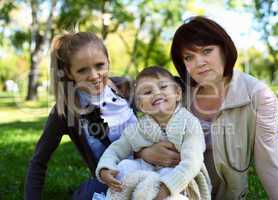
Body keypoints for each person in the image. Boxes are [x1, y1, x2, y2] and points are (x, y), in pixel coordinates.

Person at [168, 16, 278, 199]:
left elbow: (268, 162)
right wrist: (145, 151)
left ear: (224, 50)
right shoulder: (176, 93)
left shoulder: (258, 96)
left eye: (207, 51)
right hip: (174, 191)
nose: (199, 63)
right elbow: (142, 134)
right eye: (189, 57)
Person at [24, 32, 137, 200]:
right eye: (82, 70)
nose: (93, 75)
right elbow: (38, 162)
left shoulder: (125, 88)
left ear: (108, 61)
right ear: (69, 73)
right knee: (88, 193)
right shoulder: (65, 110)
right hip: (109, 184)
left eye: (100, 65)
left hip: (147, 170)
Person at [95, 66, 211, 200]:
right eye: (148, 91)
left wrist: (166, 188)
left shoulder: (189, 124)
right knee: (124, 166)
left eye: (163, 87)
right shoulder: (138, 129)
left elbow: (192, 162)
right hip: (146, 180)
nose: (156, 93)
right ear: (141, 105)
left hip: (179, 180)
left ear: (177, 93)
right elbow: (116, 149)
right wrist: (105, 169)